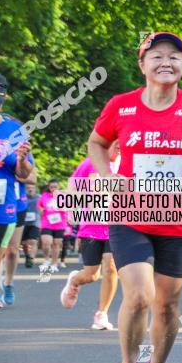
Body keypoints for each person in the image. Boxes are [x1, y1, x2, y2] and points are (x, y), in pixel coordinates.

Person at [88, 31, 182, 363]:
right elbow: (97, 142)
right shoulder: (121, 105)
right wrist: (107, 176)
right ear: (142, 64)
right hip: (130, 214)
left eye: (174, 57)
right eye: (157, 56)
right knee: (139, 295)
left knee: (166, 304)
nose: (166, 62)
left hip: (177, 219)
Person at [60, 140, 121, 330]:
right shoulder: (89, 164)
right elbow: (73, 187)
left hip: (116, 224)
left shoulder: (126, 165)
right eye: (115, 141)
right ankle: (75, 280)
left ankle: (101, 314)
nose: (119, 145)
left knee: (111, 266)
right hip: (91, 225)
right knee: (91, 275)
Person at [0, 73, 36, 309]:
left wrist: (22, 160)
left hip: (5, 201)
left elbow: (26, 174)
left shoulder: (14, 129)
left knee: (7, 251)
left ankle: (6, 285)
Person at [38, 179, 66, 274]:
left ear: (58, 187)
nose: (53, 188)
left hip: (60, 224)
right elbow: (40, 206)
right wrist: (41, 211)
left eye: (55, 186)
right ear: (49, 187)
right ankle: (46, 260)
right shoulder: (44, 196)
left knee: (56, 244)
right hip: (47, 223)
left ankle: (54, 263)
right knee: (46, 242)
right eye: (51, 187)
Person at [20, 183, 40, 269]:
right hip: (23, 223)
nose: (30, 189)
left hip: (35, 223)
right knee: (24, 243)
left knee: (33, 242)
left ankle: (31, 259)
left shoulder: (39, 198)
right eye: (28, 188)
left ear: (35, 189)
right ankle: (27, 255)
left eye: (32, 188)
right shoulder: (21, 198)